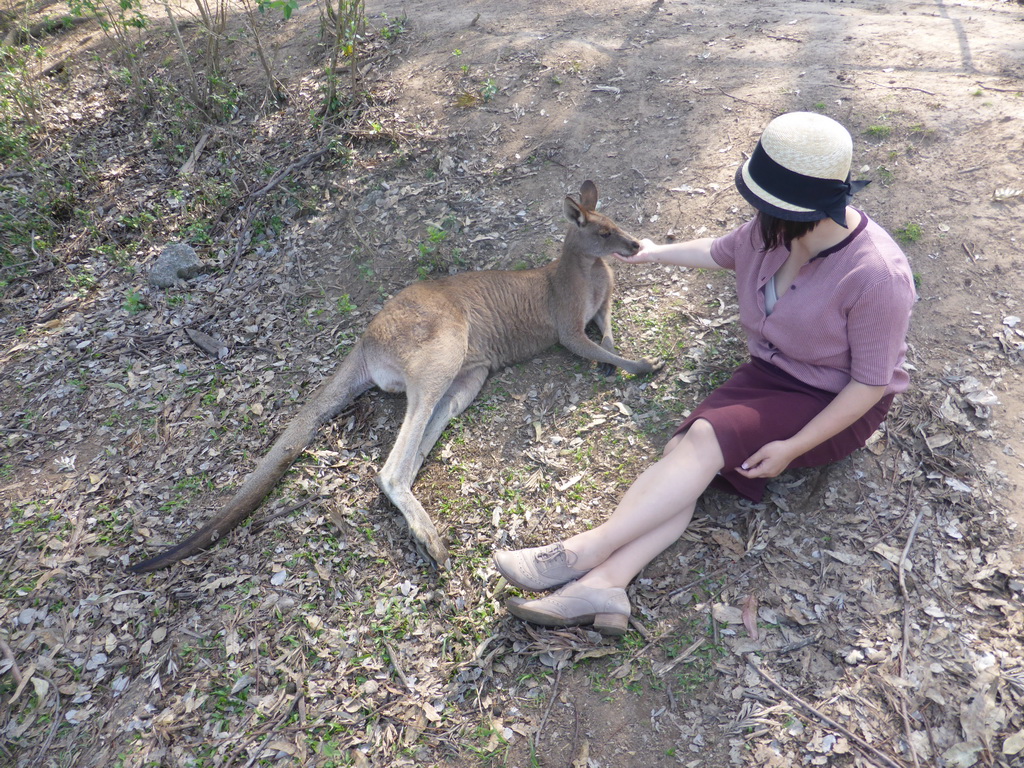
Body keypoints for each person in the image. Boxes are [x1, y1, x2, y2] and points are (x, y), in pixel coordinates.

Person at [492, 112, 916, 636]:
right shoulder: (774, 230)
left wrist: (792, 447)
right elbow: (721, 251)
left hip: (831, 398)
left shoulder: (876, 275)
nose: (755, 214)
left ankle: (586, 550)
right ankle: (607, 585)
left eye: (765, 203)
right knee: (683, 460)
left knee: (705, 441)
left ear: (800, 204)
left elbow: (869, 384)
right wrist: (650, 254)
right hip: (771, 373)